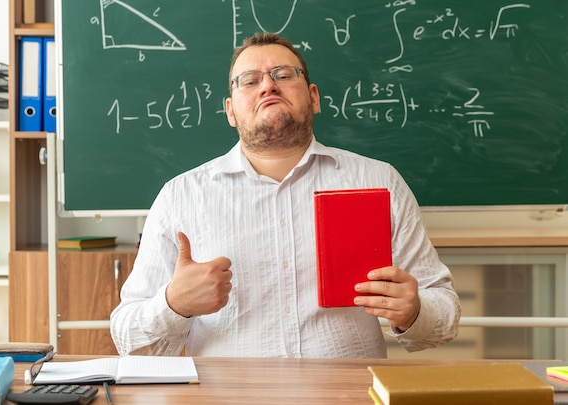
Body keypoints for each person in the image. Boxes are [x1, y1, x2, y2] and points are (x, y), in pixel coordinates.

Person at [110, 32, 460, 358]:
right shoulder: (180, 197)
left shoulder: (378, 180)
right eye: (250, 80)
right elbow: (129, 340)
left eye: (283, 74)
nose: (267, 85)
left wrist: (413, 311)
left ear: (313, 97)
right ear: (231, 110)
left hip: (347, 396)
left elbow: (443, 312)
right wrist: (174, 304)